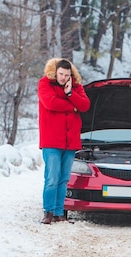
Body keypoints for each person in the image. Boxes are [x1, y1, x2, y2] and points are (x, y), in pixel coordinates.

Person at [37, 58, 91, 224]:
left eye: (66, 75)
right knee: (52, 178)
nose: (63, 77)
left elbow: (85, 105)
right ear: (55, 71)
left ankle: (60, 212)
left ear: (70, 74)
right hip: (52, 140)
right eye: (61, 74)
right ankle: (48, 212)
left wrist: (70, 94)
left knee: (64, 179)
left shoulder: (75, 86)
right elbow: (50, 103)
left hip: (70, 140)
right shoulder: (45, 83)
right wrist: (72, 106)